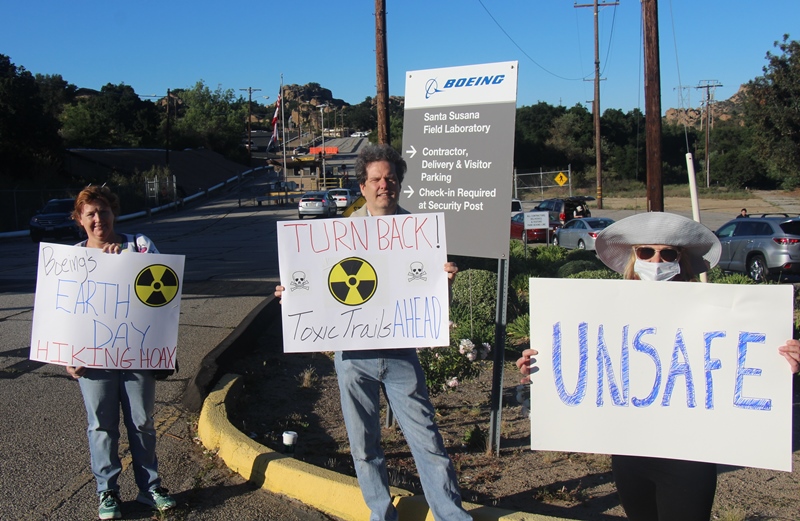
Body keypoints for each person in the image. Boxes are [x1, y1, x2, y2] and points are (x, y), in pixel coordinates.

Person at [515, 211, 799, 521]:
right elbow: (582, 357)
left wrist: (786, 361)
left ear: (682, 259)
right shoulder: (605, 310)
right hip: (629, 453)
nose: (656, 261)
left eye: (668, 253)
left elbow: (745, 363)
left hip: (689, 457)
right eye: (647, 252)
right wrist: (542, 365)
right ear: (634, 258)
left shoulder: (713, 313)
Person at [275, 144, 471, 521]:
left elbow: (425, 297)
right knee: (364, 446)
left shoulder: (419, 234)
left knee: (427, 441)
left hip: (401, 353)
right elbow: (314, 285)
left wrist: (442, 279)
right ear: (362, 187)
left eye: (391, 178)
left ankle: (451, 516)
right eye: (377, 179)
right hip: (352, 357)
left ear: (399, 184)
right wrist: (291, 295)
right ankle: (380, 514)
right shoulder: (337, 235)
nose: (385, 185)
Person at [66, 185, 176, 520]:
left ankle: (150, 488)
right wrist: (70, 355)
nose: (99, 219)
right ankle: (107, 492)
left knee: (142, 422)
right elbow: (65, 313)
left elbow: (164, 293)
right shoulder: (71, 258)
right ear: (80, 220)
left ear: (115, 212)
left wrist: (126, 263)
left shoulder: (139, 246)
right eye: (91, 214)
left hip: (137, 352)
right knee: (101, 424)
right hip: (93, 357)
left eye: (104, 211)